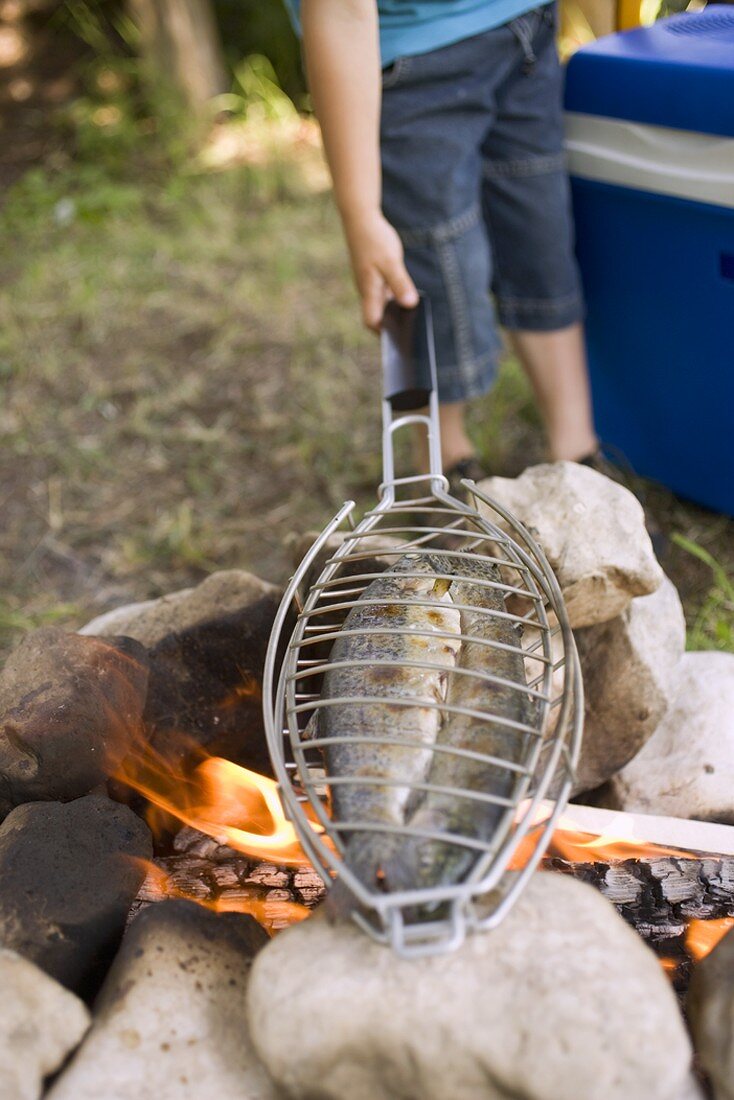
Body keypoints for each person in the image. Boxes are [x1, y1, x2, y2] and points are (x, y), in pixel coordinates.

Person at [285, 0, 602, 485]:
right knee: (420, 272)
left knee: (541, 245)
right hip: (406, 59)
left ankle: (578, 455)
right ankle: (436, 470)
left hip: (525, 31)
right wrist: (362, 215)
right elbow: (340, 10)